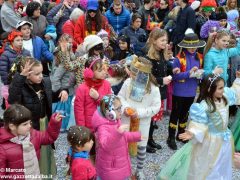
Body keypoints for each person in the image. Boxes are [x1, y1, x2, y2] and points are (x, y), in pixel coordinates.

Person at [158, 72, 240, 179]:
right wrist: (192, 132)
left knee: (222, 164)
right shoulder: (204, 106)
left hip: (225, 139)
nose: (223, 90)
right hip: (210, 142)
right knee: (207, 166)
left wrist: (238, 79)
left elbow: (235, 90)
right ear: (210, 89)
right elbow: (198, 124)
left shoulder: (225, 97)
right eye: (220, 88)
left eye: (223, 87)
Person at [7, 57, 68, 176]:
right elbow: (13, 99)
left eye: (41, 72)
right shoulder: (20, 86)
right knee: (33, 150)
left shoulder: (45, 81)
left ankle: (45, 173)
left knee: (46, 150)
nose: (41, 76)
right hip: (30, 125)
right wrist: (20, 77)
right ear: (28, 75)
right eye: (37, 74)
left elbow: (49, 97)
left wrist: (62, 92)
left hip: (44, 121)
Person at [118, 56, 161, 179]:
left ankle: (139, 170)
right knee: (124, 144)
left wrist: (139, 112)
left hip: (142, 123)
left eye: (134, 73)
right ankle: (125, 167)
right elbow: (120, 97)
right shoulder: (128, 82)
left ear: (143, 74)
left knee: (141, 146)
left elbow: (156, 107)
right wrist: (125, 108)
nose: (131, 75)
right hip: (126, 120)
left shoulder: (153, 89)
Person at [0, 104, 63, 178]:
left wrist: (54, 123)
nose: (29, 126)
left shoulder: (33, 134)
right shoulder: (2, 148)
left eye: (30, 122)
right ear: (12, 126)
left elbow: (49, 137)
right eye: (25, 124)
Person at [167, 29, 205, 150]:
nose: (193, 49)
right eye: (190, 46)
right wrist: (189, 73)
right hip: (179, 91)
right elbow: (175, 76)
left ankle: (181, 135)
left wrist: (200, 74)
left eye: (195, 46)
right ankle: (171, 137)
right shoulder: (178, 58)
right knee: (175, 114)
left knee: (185, 115)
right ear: (185, 46)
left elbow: (201, 73)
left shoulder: (200, 57)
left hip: (191, 91)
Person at [92, 94, 141, 179]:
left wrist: (137, 136)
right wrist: (118, 133)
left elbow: (123, 136)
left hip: (119, 165)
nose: (121, 111)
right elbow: (106, 145)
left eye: (120, 107)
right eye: (118, 109)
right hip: (110, 171)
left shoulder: (116, 121)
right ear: (110, 112)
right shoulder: (102, 127)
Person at [146, 28, 176, 153]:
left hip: (160, 92)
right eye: (162, 40)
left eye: (166, 40)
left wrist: (172, 71)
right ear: (154, 40)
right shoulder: (148, 56)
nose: (165, 43)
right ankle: (145, 141)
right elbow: (148, 76)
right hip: (150, 92)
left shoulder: (162, 53)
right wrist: (161, 81)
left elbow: (164, 69)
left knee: (154, 119)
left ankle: (150, 138)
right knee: (148, 118)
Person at [74, 56, 111, 131]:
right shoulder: (82, 88)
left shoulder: (107, 84)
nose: (104, 72)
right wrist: (82, 129)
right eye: (100, 70)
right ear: (90, 72)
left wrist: (98, 97)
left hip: (103, 125)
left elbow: (109, 104)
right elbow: (79, 111)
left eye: (105, 69)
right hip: (88, 127)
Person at [51, 34, 77, 132]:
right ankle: (60, 127)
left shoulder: (72, 56)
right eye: (67, 43)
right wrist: (59, 90)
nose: (69, 45)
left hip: (70, 90)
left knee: (69, 110)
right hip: (63, 91)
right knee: (62, 111)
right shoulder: (62, 59)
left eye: (71, 42)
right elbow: (55, 77)